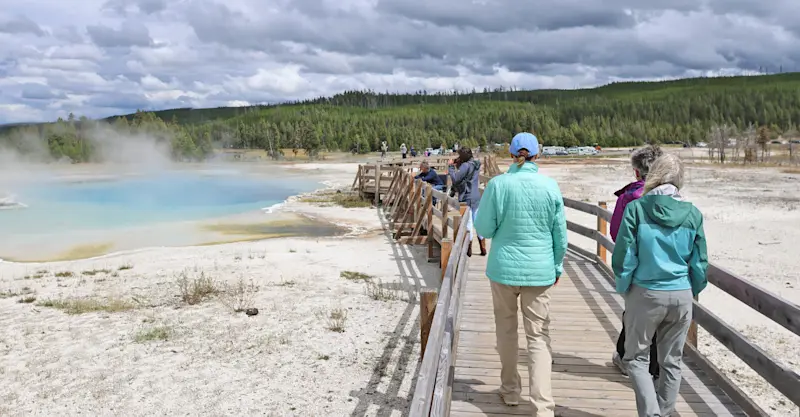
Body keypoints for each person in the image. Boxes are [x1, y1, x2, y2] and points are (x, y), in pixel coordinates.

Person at [474, 132, 567, 416]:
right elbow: (560, 235)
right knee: (538, 337)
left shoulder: (498, 185)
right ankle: (543, 406)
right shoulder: (550, 186)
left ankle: (511, 391)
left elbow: (485, 229)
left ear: (511, 155)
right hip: (539, 271)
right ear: (538, 154)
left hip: (503, 269)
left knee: (506, 330)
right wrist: (557, 266)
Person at [611, 153, 708, 417]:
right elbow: (699, 262)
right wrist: (693, 289)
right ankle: (663, 413)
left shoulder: (637, 209)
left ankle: (651, 414)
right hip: (681, 294)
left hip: (645, 292)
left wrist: (624, 284)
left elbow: (624, 255)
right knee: (671, 362)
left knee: (636, 359)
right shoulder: (693, 214)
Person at [610, 145, 664, 379]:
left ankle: (626, 357)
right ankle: (655, 368)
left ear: (636, 171)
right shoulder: (672, 196)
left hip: (636, 266)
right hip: (667, 268)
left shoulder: (629, 198)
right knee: (660, 319)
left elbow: (615, 233)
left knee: (634, 313)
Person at [448, 148, 485, 257]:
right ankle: (483, 248)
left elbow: (455, 179)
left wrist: (450, 167)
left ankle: (468, 250)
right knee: (477, 222)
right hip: (476, 196)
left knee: (468, 223)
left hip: (466, 196)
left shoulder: (465, 166)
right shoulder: (476, 164)